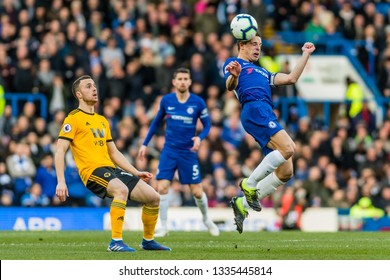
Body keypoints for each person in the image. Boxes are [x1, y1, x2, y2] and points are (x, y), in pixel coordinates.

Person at [55, 75, 170, 252]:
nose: (94, 89)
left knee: (153, 197)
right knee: (121, 190)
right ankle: (115, 241)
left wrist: (135, 171)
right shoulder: (73, 118)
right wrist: (61, 181)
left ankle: (148, 240)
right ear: (79, 94)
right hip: (92, 171)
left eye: (94, 85)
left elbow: (114, 152)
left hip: (111, 169)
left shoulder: (102, 120)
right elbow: (60, 150)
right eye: (88, 86)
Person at [224, 35, 315, 233]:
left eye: (260, 45)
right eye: (254, 44)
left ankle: (242, 205)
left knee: (285, 172)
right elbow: (229, 86)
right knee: (289, 147)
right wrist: (235, 75)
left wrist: (305, 55)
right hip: (254, 109)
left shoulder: (263, 72)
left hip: (266, 112)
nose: (258, 48)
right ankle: (250, 184)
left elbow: (291, 78)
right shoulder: (235, 64)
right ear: (242, 45)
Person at [138, 68, 219, 237]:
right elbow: (155, 123)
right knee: (162, 187)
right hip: (169, 150)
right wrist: (145, 144)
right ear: (174, 82)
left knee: (197, 191)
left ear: (190, 82)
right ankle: (164, 226)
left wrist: (200, 138)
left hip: (187, 152)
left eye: (185, 78)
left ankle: (206, 219)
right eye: (179, 78)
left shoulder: (198, 102)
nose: (182, 81)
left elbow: (208, 125)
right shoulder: (167, 101)